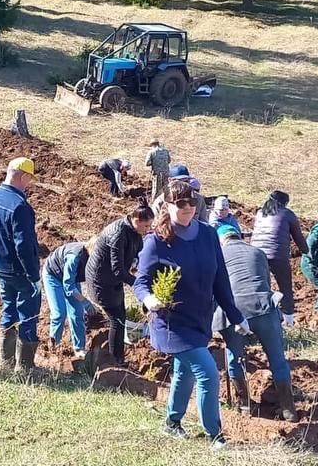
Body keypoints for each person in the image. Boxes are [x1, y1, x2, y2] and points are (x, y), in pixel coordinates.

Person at [135, 180, 250, 450]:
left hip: (200, 318)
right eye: (180, 203)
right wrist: (149, 298)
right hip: (171, 322)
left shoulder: (209, 235)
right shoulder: (157, 242)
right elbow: (141, 282)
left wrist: (236, 316)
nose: (187, 208)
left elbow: (220, 279)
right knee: (208, 373)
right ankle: (215, 435)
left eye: (191, 202)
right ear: (167, 206)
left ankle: (172, 422)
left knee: (183, 373)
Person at [213, 223, 297, 421]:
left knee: (235, 358)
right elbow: (265, 283)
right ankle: (288, 409)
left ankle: (243, 405)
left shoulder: (218, 255)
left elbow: (214, 289)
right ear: (239, 236)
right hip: (264, 308)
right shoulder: (257, 252)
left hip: (234, 312)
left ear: (220, 241)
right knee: (277, 359)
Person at [0, 157, 42, 371]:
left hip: (1, 268)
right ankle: (25, 367)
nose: (29, 185)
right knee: (29, 314)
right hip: (21, 272)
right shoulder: (19, 206)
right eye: (29, 180)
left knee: (9, 309)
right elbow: (23, 246)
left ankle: (6, 362)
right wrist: (34, 277)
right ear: (23, 175)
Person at [84, 202, 154, 364]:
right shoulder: (118, 233)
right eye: (146, 225)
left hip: (113, 281)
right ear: (136, 219)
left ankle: (118, 357)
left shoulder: (135, 232)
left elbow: (140, 254)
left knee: (121, 316)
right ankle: (114, 360)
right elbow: (118, 270)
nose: (147, 229)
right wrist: (139, 287)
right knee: (117, 319)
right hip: (100, 281)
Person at [250, 190, 308, 321]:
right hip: (277, 255)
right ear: (284, 203)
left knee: (261, 286)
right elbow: (298, 237)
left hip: (256, 255)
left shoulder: (260, 213)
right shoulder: (288, 214)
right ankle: (288, 319)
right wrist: (306, 251)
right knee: (285, 287)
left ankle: (260, 317)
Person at [43, 240, 90, 359]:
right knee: (60, 313)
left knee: (77, 313)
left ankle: (79, 349)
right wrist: (85, 302)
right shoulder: (74, 258)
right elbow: (68, 286)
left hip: (71, 279)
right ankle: (54, 345)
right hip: (53, 275)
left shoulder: (95, 259)